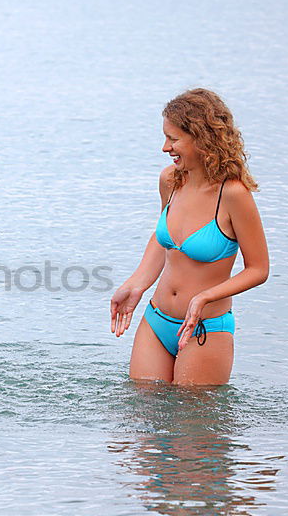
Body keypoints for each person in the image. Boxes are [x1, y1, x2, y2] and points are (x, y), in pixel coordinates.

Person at [110, 89, 269, 385]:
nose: (165, 147)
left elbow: (259, 270)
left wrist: (205, 297)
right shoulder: (170, 181)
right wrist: (136, 284)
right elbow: (165, 241)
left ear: (201, 138)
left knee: (193, 427)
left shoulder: (233, 195)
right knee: (140, 419)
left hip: (205, 328)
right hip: (156, 321)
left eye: (173, 139)